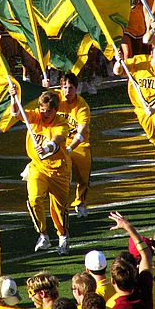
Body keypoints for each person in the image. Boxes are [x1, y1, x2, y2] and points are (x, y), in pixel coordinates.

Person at [8, 85, 71, 255]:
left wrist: (48, 147)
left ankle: (63, 235)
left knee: (59, 208)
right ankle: (43, 234)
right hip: (38, 167)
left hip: (59, 171)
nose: (44, 114)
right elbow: (16, 113)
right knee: (34, 199)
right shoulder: (35, 116)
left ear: (55, 111)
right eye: (42, 110)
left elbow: (58, 139)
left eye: (48, 111)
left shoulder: (61, 122)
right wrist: (14, 98)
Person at [113, 40, 155, 185]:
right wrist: (118, 61)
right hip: (141, 107)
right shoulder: (138, 61)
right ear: (151, 54)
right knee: (153, 137)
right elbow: (118, 72)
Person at [56, 72, 92, 218]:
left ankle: (80, 202)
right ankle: (60, 204)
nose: (67, 91)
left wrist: (70, 148)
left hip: (79, 144)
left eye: (70, 88)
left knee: (83, 177)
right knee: (58, 176)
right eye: (64, 87)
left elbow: (81, 132)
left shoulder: (82, 106)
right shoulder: (55, 98)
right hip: (60, 142)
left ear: (76, 88)